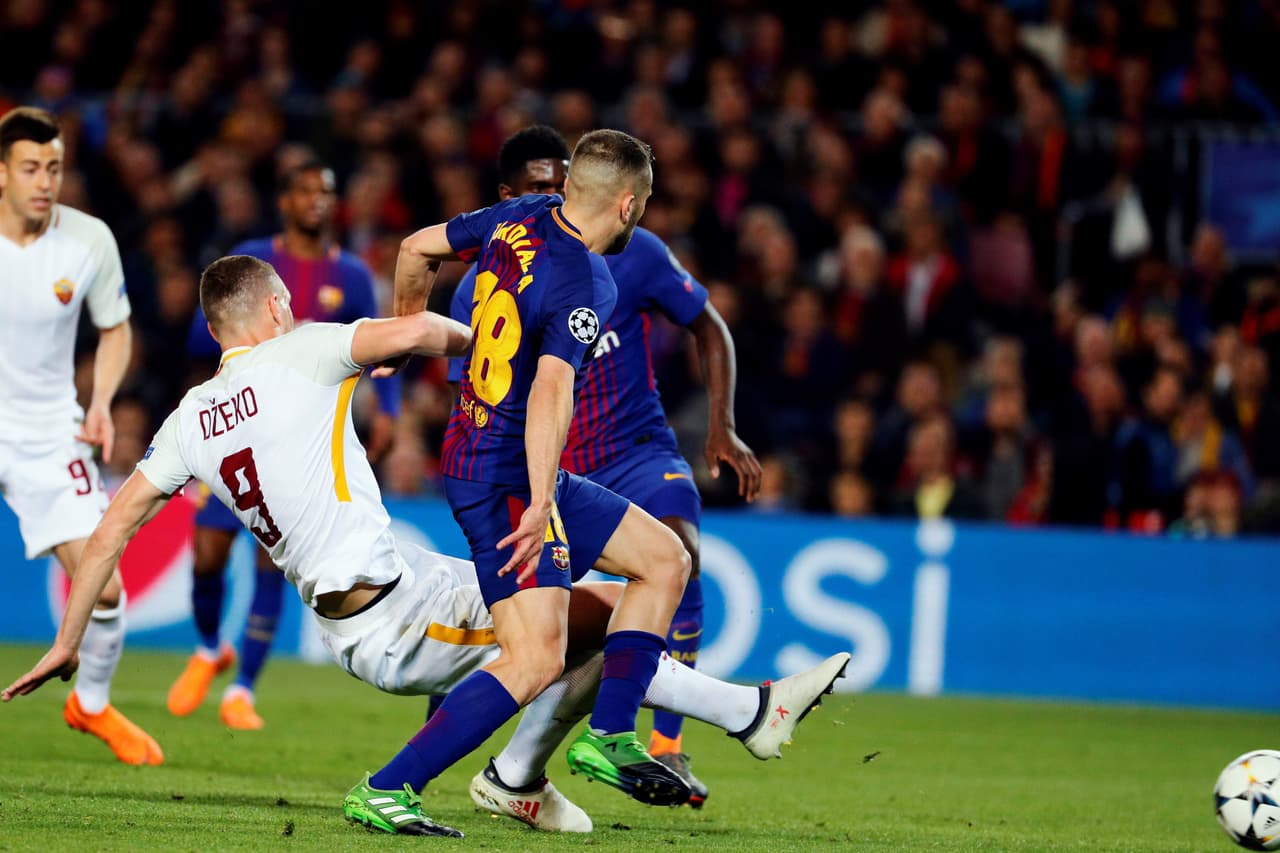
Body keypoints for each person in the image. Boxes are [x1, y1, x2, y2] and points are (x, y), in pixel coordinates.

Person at [2, 254, 851, 837]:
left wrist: (70, 641)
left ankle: (740, 714)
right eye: (286, 306)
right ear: (271, 309)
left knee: (593, 609)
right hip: (393, 616)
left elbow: (112, 526)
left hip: (392, 591)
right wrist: (492, 350)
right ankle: (436, 782)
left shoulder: (189, 420)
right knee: (577, 629)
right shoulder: (303, 349)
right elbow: (410, 335)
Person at [446, 125, 762, 806]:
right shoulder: (485, 282)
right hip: (545, 471)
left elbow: (710, 325)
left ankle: (665, 744)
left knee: (679, 552)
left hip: (636, 451)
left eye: (560, 181)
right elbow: (473, 392)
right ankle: (492, 745)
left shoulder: (636, 254)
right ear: (507, 199)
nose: (552, 197)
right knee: (541, 640)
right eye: (535, 189)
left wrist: (721, 423)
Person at [391, 128, 696, 806]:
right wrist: (538, 501)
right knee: (533, 659)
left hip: (489, 456)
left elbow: (415, 248)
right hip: (501, 475)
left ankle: (609, 731)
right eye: (642, 204)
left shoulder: (516, 215)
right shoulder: (589, 280)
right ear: (626, 206)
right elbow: (553, 391)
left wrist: (405, 329)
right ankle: (390, 785)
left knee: (666, 559)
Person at [169, 159, 401, 729]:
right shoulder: (252, 260)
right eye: (305, 191)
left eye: (326, 190)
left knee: (270, 561)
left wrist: (389, 410)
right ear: (285, 201)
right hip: (238, 429)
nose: (317, 200)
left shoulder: (348, 274)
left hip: (297, 440)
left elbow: (374, 344)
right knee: (207, 554)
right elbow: (205, 340)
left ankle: (242, 689)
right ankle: (207, 648)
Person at [0, 106, 162, 765]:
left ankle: (89, 703)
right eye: (32, 168)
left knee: (108, 586)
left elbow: (116, 328)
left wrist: (100, 401)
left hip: (47, 432)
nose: (46, 181)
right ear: (2, 173)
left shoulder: (88, 239)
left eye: (55, 168)